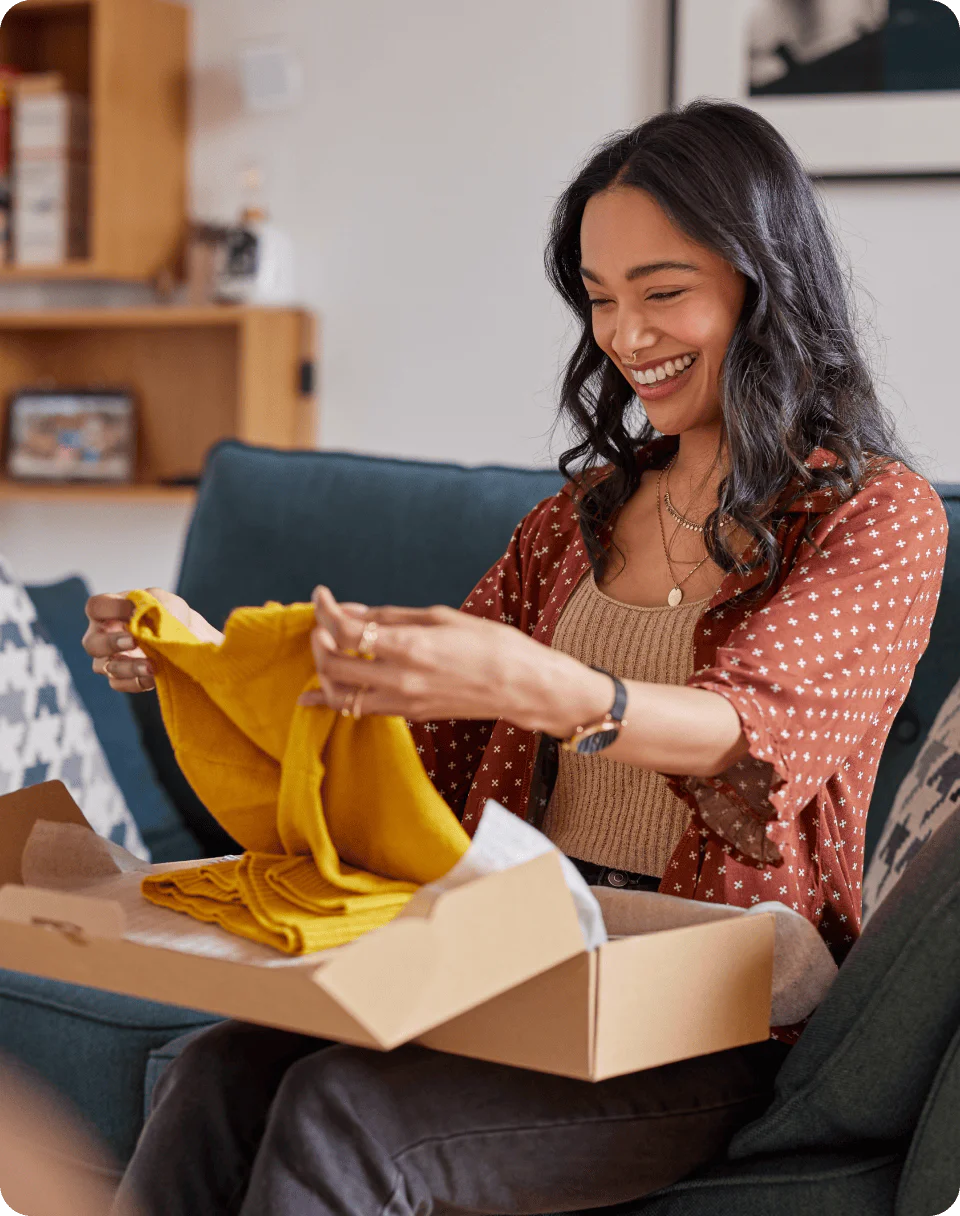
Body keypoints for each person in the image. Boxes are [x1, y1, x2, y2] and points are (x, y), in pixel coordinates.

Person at [85, 99, 946, 1215]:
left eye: (663, 291)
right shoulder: (575, 519)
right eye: (599, 299)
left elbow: (755, 732)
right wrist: (199, 661)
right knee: (215, 1071)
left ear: (762, 278)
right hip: (521, 968)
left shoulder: (877, 514)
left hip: (714, 1013)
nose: (626, 336)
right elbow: (411, 741)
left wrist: (545, 686)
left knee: (343, 1117)